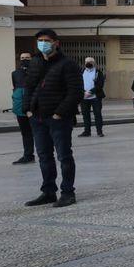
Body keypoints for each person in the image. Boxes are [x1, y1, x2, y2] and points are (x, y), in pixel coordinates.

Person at [23, 28, 83, 208]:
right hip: (37, 118)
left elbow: (75, 92)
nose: (43, 43)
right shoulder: (35, 62)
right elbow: (29, 87)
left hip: (59, 119)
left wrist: (60, 113)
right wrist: (28, 110)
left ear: (56, 42)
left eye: (46, 40)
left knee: (64, 155)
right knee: (44, 156)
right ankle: (48, 191)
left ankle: (67, 192)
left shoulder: (68, 64)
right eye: (40, 40)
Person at [11, 52, 36, 165]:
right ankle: (28, 155)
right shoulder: (15, 73)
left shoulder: (37, 72)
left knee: (41, 132)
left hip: (35, 108)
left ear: (32, 59)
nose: (24, 59)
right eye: (22, 58)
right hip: (20, 108)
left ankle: (46, 154)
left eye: (27, 58)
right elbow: (15, 88)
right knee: (26, 133)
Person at [78, 57, 105, 138]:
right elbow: (78, 83)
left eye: (90, 61)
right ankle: (87, 131)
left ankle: (99, 131)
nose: (88, 63)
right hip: (84, 97)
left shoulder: (98, 72)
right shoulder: (81, 72)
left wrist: (90, 92)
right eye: (86, 61)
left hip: (95, 97)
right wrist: (83, 92)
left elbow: (100, 85)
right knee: (85, 115)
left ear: (94, 63)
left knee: (97, 114)